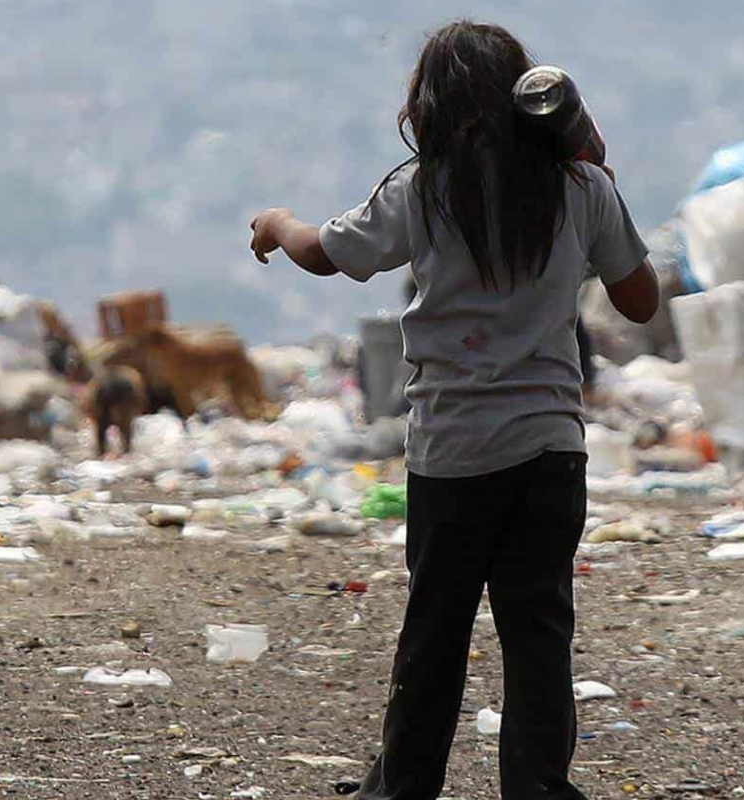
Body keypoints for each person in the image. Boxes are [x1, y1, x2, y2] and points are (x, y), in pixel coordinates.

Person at [248, 19, 659, 800]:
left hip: (453, 450)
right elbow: (639, 301)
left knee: (435, 632)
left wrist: (276, 223)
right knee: (538, 633)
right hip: (549, 449)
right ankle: (537, 788)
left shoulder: (424, 186)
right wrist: (595, 167)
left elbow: (327, 254)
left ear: (429, 104)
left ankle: (403, 787)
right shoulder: (581, 189)